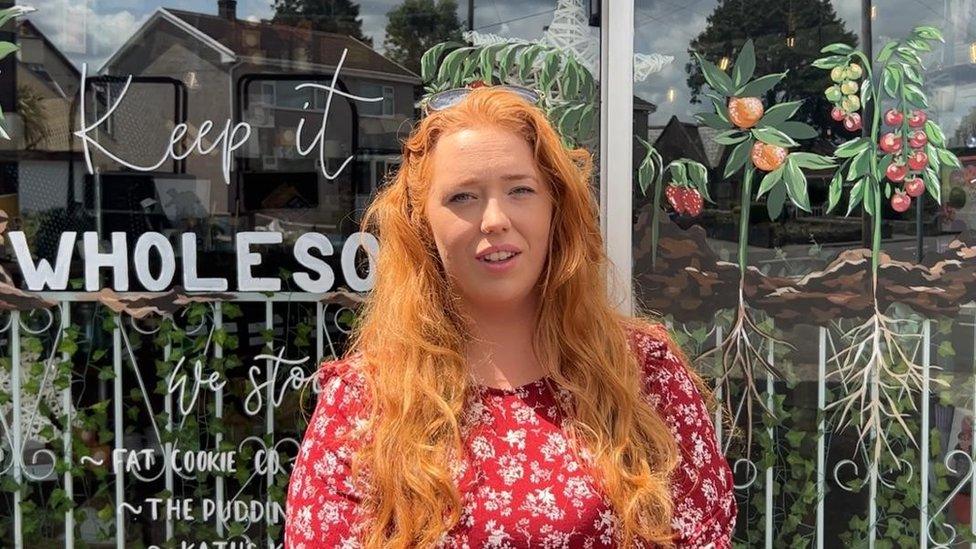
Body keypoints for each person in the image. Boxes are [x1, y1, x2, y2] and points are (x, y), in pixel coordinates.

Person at [284, 86, 736, 548]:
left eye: (520, 190)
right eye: (462, 197)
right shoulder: (365, 402)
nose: (494, 219)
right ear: (422, 223)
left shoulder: (645, 373)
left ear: (555, 210)